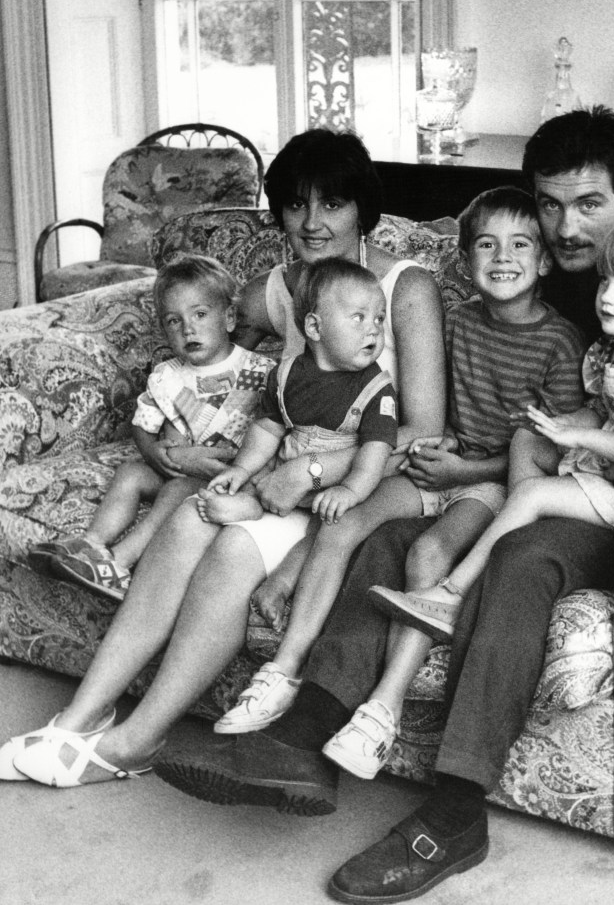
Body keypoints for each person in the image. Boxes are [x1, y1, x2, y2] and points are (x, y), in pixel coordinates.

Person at [149, 107, 614, 904]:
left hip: (605, 503)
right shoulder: (529, 269)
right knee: (388, 539)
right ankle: (302, 736)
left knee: (519, 558)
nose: (566, 226)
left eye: (587, 203)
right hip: (510, 478)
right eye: (549, 204)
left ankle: (456, 808)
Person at [0, 127, 446, 790]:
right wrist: (204, 405)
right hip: (282, 470)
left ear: (363, 209)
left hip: (358, 485)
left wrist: (313, 468)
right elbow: (211, 319)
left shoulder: (405, 289)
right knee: (188, 517)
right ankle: (80, 717)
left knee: (233, 545)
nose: (312, 222)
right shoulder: (290, 285)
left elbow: (426, 430)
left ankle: (133, 739)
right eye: (295, 206)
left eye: (331, 204)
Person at [291, 185, 583, 780]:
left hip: (500, 484)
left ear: (544, 260)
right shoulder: (457, 322)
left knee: (427, 549)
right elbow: (436, 408)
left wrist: (469, 468)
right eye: (486, 245)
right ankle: (285, 674)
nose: (502, 258)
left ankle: (383, 710)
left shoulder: (559, 342)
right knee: (349, 520)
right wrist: (443, 442)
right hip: (444, 465)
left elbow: (558, 456)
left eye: (521, 245)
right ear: (464, 260)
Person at [369, 211, 614, 643]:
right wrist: (561, 423)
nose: (607, 297)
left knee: (532, 492)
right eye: (605, 281)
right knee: (527, 439)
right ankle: (517, 530)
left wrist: (578, 436)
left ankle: (451, 593)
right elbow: (603, 408)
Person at [205, 256, 399, 732]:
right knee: (270, 482)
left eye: (378, 318)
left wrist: (353, 489)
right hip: (290, 471)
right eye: (358, 318)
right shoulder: (286, 374)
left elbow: (376, 451)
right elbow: (267, 430)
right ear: (313, 326)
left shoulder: (378, 389)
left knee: (324, 532)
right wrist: (242, 468)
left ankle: (279, 582)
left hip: (338, 486)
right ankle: (248, 501)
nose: (373, 329)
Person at [26, 255, 269, 602]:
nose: (188, 329)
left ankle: (118, 564)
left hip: (225, 478)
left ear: (229, 317)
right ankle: (91, 543)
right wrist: (153, 453)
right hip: (176, 466)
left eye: (200, 315)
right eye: (174, 321)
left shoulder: (260, 371)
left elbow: (272, 431)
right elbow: (143, 425)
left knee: (175, 492)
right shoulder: (167, 376)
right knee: (129, 473)